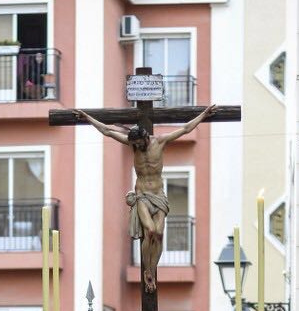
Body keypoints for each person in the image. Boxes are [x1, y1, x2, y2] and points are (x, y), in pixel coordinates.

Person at [75, 104, 217, 291]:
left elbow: (185, 129)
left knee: (159, 234)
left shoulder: (160, 141)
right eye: (134, 144)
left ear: (145, 137)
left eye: (139, 143)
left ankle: (151, 270)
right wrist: (87, 117)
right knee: (150, 231)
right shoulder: (133, 144)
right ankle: (147, 271)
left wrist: (204, 115)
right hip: (142, 195)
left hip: (158, 195)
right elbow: (107, 131)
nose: (137, 147)